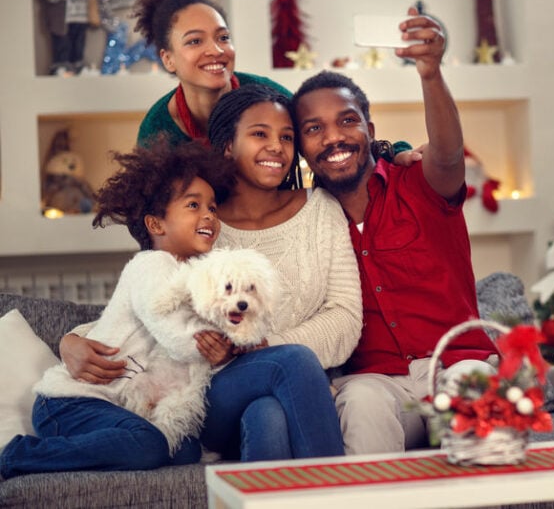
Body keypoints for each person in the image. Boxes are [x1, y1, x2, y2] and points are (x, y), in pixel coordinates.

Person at [1, 140, 326, 478]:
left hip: (123, 407)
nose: (208, 216)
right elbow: (176, 335)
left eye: (213, 208)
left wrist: (232, 342)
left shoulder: (202, 275)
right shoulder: (152, 266)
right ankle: (16, 455)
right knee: (150, 444)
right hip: (72, 401)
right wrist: (222, 342)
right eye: (193, 205)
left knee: (192, 444)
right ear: (156, 225)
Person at [291, 9, 498, 455]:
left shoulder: (419, 182)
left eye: (347, 120)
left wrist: (430, 73)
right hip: (379, 383)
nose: (333, 138)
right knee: (360, 400)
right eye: (313, 129)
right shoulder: (306, 222)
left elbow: (446, 152)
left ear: (370, 129)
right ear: (301, 148)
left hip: (458, 364)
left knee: (472, 391)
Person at [201, 84, 362, 459]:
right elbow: (150, 293)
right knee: (294, 358)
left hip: (295, 396)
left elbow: (345, 317)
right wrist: (74, 338)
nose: (277, 146)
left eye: (287, 137)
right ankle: (343, 496)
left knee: (268, 417)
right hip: (218, 393)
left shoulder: (320, 210)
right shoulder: (204, 223)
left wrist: (264, 347)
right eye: (260, 134)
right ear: (228, 145)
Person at [131, 0, 289, 146]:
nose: (216, 51)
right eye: (195, 41)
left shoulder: (271, 95)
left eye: (223, 38)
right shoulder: (156, 130)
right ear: (168, 60)